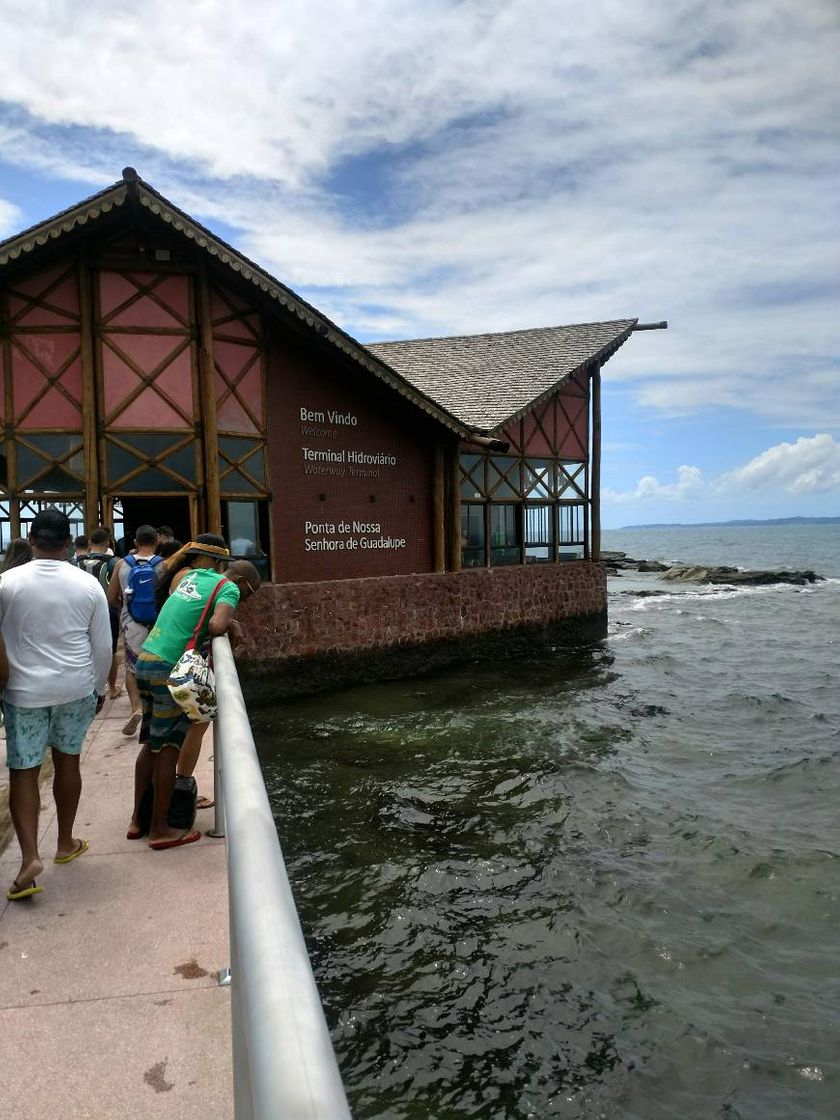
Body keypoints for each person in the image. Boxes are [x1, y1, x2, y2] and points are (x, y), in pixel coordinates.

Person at [0, 507, 112, 901]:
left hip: (23, 693)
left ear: (31, 540)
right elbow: (102, 647)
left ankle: (29, 858)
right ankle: (65, 842)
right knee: (68, 760)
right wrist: (99, 689)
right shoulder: (87, 585)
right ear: (68, 543)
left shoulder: (6, 583)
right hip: (75, 687)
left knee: (24, 771)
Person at [128, 537, 259, 849]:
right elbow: (215, 626)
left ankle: (137, 821)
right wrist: (231, 622)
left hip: (146, 661)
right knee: (168, 748)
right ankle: (160, 830)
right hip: (170, 669)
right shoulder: (227, 587)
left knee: (150, 744)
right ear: (238, 579)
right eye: (248, 594)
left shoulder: (190, 577)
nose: (245, 599)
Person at [107, 525, 163, 736]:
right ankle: (156, 707)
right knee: (157, 662)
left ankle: (136, 708)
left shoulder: (122, 564)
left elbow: (111, 597)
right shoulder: (163, 565)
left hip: (131, 622)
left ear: (135, 542)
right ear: (157, 541)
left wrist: (124, 608)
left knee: (132, 667)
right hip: (157, 622)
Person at [83, 527, 122, 699]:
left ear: (90, 542)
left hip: (80, 610)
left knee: (85, 646)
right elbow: (116, 591)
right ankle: (112, 687)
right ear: (107, 543)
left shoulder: (74, 561)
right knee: (109, 648)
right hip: (107, 611)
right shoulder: (113, 562)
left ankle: (86, 684)